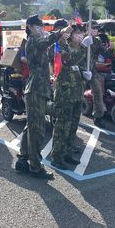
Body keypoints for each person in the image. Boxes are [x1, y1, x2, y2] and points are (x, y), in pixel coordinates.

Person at [15, 14, 72, 179]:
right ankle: (35, 166)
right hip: (35, 90)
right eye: (38, 26)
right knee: (37, 130)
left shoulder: (37, 42)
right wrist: (61, 32)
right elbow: (46, 41)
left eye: (42, 26)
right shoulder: (33, 41)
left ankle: (23, 158)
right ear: (31, 27)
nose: (41, 29)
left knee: (31, 127)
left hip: (39, 88)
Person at [49, 24, 92, 169]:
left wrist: (85, 74)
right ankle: (56, 157)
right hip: (65, 95)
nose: (79, 35)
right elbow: (69, 61)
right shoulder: (59, 48)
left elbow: (75, 66)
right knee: (62, 127)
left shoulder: (73, 48)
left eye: (81, 33)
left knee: (72, 126)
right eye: (76, 33)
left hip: (76, 94)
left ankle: (67, 153)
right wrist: (84, 47)